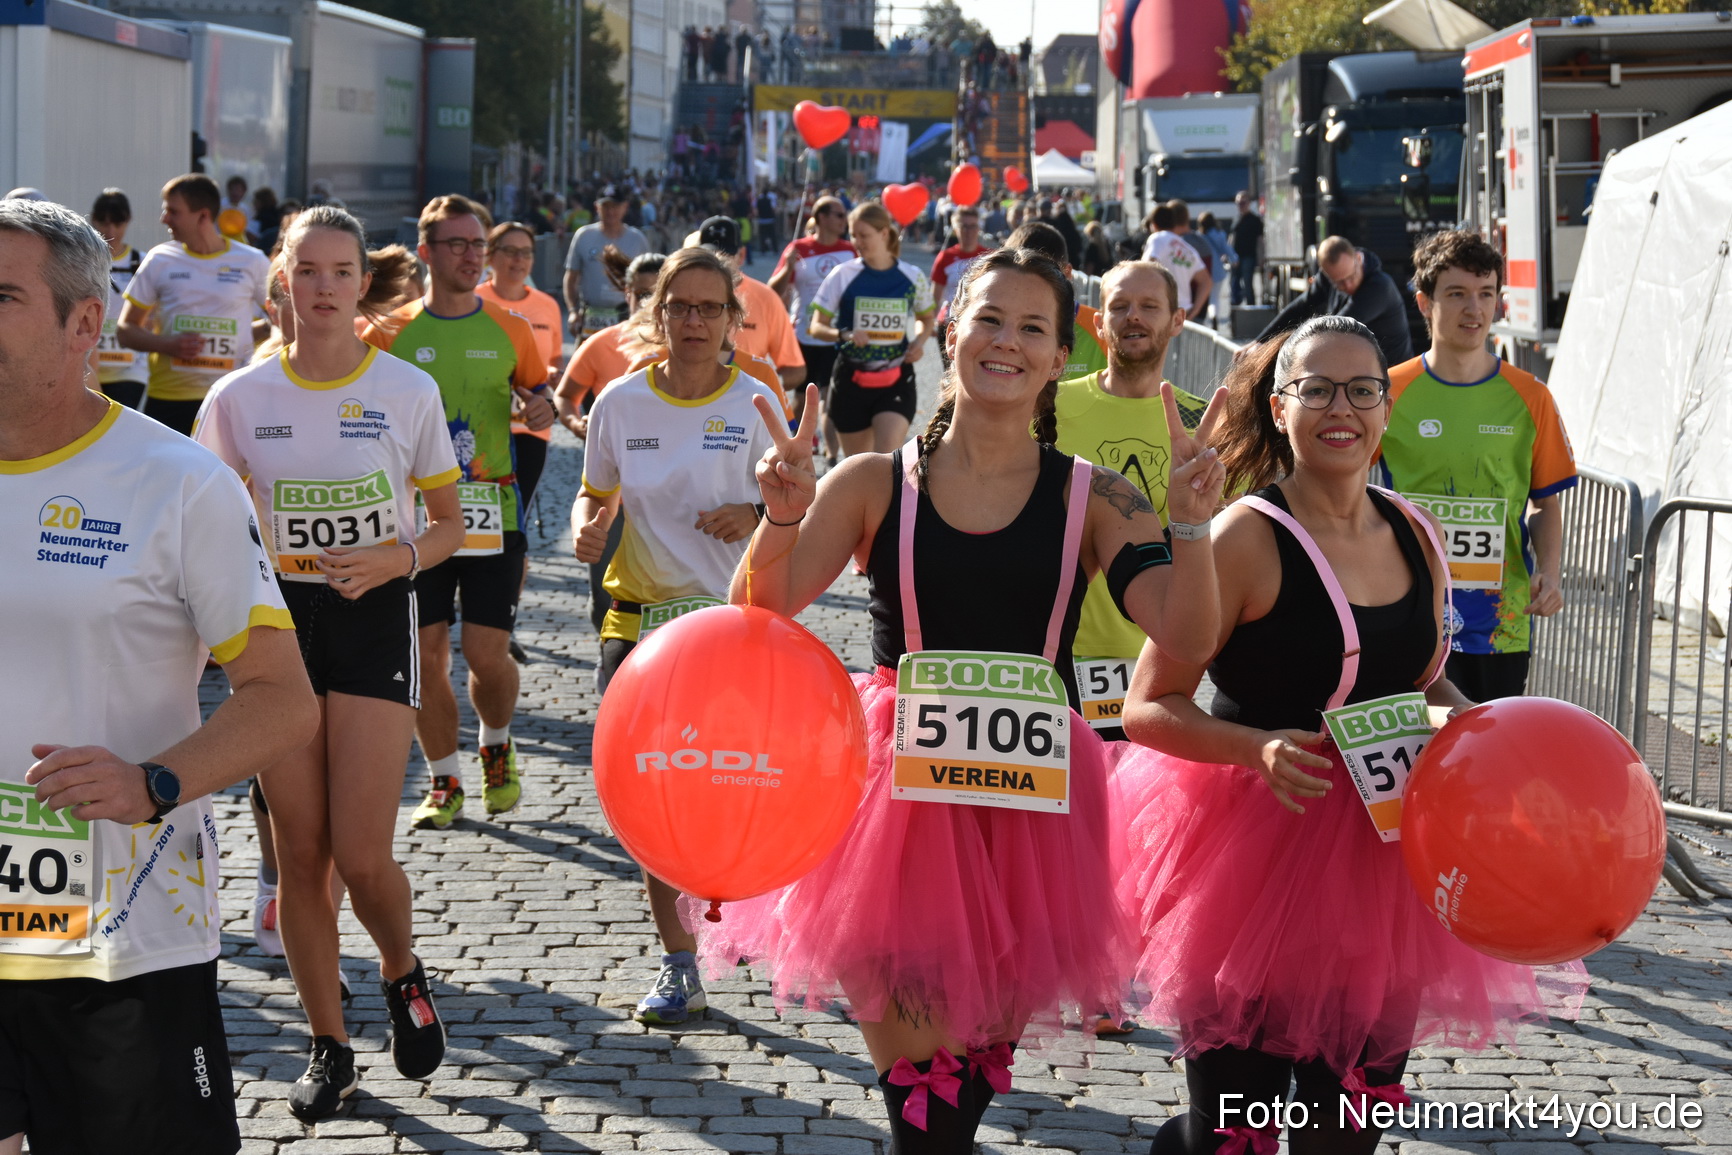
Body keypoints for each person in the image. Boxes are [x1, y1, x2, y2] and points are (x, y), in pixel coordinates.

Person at [697, 247, 1226, 1155]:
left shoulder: (1097, 497)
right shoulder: (873, 483)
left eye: (1032, 328)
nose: (1006, 343)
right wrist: (782, 516)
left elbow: (1186, 634)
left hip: (1031, 822)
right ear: (950, 331)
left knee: (969, 1086)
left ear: (1062, 356)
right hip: (894, 819)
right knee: (924, 1114)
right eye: (988, 319)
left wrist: (1186, 522)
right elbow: (759, 613)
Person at [1115, 314, 1581, 1155]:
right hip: (1256, 859)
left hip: (1383, 866)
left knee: (1347, 1126)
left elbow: (1421, 678)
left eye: (1363, 388)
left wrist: (1471, 726)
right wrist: (1253, 749)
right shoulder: (1245, 536)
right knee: (1238, 1126)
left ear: (1386, 406)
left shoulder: (1413, 528)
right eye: (1316, 388)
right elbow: (1148, 705)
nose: (1343, 407)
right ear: (1280, 406)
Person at [0, 196, 317, 1155]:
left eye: (1, 295)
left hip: (119, 931)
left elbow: (283, 700)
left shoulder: (178, 482)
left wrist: (152, 783)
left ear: (83, 323)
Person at [194, 206, 464, 1121]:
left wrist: (398, 557)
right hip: (280, 628)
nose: (321, 287)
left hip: (376, 614)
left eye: (339, 271)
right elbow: (202, 526)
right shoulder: (237, 400)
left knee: (361, 848)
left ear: (361, 284)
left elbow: (451, 521)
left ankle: (400, 969)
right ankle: (329, 1046)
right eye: (305, 270)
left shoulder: (405, 391)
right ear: (283, 281)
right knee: (301, 854)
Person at [570, 247, 783, 1024]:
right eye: (679, 307)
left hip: (732, 623)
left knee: (730, 783)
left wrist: (758, 515)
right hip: (638, 621)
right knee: (649, 797)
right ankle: (677, 960)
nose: (694, 322)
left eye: (710, 308)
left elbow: (803, 504)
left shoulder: (756, 404)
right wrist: (585, 533)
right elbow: (593, 498)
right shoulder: (620, 405)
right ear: (655, 316)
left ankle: (735, 894)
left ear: (733, 320)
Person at [362, 195, 556, 829]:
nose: (473, 256)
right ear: (426, 253)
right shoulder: (389, 333)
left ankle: (496, 745)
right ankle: (444, 781)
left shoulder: (511, 328)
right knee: (425, 656)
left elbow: (539, 396)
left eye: (480, 245)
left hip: (490, 516)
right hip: (414, 521)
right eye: (458, 245)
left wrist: (541, 411)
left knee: (486, 652)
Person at [1379, 230, 1575, 702]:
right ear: (1425, 303)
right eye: (1458, 294)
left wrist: (1550, 570)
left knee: (1489, 759)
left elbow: (1545, 502)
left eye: (1486, 294)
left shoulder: (1531, 397)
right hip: (1409, 615)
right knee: (1417, 760)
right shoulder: (1388, 391)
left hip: (1499, 623)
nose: (1475, 309)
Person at [1055, 261, 1206, 750]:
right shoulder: (1048, 409)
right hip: (1060, 653)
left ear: (1177, 320)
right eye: (1118, 306)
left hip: (1162, 669)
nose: (1132, 317)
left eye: (1148, 307)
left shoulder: (1204, 427)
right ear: (1098, 323)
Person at [117, 174, 271, 435]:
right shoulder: (160, 259)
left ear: (202, 216)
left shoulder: (251, 260)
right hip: (169, 397)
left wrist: (247, 338)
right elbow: (125, 330)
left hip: (230, 394)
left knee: (230, 476)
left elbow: (282, 319)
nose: (164, 219)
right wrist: (169, 345)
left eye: (172, 212)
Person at [806, 201, 937, 457]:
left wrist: (919, 342)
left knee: (888, 456)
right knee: (860, 464)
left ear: (884, 234)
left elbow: (927, 318)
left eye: (864, 235)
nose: (857, 242)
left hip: (896, 377)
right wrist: (845, 334)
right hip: (851, 379)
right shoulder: (842, 275)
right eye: (853, 235)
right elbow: (816, 327)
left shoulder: (912, 276)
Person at [477, 219, 566, 520]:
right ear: (490, 255)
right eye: (511, 251)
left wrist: (554, 372)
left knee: (517, 515)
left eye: (526, 252)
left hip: (530, 425)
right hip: (480, 424)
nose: (519, 260)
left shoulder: (547, 305)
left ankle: (516, 565)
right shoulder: (473, 302)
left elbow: (553, 357)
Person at [766, 195, 855, 461]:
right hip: (802, 334)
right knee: (801, 398)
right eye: (839, 215)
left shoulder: (849, 250)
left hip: (835, 335)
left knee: (829, 395)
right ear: (822, 217)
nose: (844, 220)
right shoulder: (798, 247)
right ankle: (790, 447)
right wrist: (788, 268)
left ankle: (831, 452)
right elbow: (772, 291)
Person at [693, 215, 806, 394]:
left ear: (742, 256)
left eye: (724, 256)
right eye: (708, 255)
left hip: (747, 410)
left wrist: (760, 388)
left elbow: (795, 369)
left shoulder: (766, 298)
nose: (715, 263)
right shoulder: (684, 297)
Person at [1258, 235, 1412, 366]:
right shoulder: (1327, 278)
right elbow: (1300, 306)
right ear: (1326, 273)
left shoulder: (1379, 287)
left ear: (1358, 258)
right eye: (1338, 282)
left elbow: (1337, 329)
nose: (1347, 285)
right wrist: (1260, 343)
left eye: (1351, 276)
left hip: (1393, 375)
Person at [1005, 222, 1107, 382]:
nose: (1031, 291)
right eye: (1016, 280)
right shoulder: (999, 333)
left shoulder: (1103, 329)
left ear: (1067, 273)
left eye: (1045, 278)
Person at [563, 186, 650, 340]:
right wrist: (572, 311)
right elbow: (571, 277)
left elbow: (650, 283)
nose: (610, 211)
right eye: (606, 206)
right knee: (587, 361)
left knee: (623, 362)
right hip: (590, 316)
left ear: (625, 207)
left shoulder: (637, 240)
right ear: (597, 207)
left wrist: (644, 315)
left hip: (625, 316)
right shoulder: (584, 236)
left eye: (615, 206)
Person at [88, 188, 147, 410]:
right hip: (89, 366)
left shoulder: (140, 262)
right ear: (93, 219)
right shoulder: (81, 261)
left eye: (118, 223)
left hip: (130, 369)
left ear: (128, 221)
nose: (110, 231)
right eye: (103, 223)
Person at [1140, 201, 1209, 322]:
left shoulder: (1157, 238)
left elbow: (1146, 268)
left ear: (1154, 225)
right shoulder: (1188, 249)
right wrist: (1195, 310)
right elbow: (1206, 281)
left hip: (1161, 310)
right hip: (1184, 311)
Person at [929, 206, 993, 315]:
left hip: (979, 320)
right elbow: (935, 297)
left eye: (973, 226)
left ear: (979, 228)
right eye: (964, 226)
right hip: (950, 319)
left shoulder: (990, 256)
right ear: (955, 229)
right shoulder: (945, 257)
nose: (969, 231)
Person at [1229, 191, 1262, 307]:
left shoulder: (1255, 219)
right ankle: (1235, 312)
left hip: (1249, 256)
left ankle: (1251, 308)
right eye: (1238, 203)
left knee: (1248, 284)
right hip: (1236, 257)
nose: (1241, 206)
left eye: (1243, 203)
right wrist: (1228, 254)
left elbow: (1260, 240)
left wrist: (1261, 258)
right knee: (1234, 285)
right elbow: (1232, 237)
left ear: (1248, 203)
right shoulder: (1236, 219)